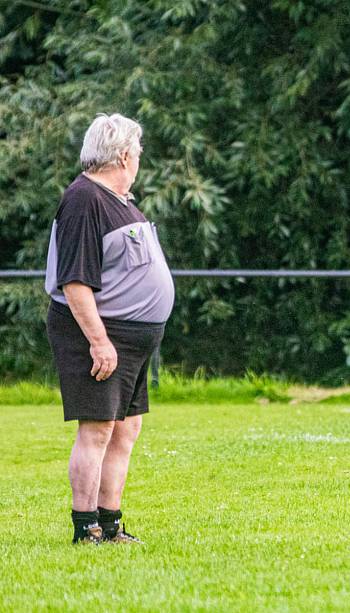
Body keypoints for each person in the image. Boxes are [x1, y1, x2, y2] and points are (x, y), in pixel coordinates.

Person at [45, 113, 174, 544]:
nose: (139, 159)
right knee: (98, 428)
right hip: (104, 336)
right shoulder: (84, 200)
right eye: (137, 152)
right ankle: (87, 528)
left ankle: (111, 521)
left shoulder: (119, 200)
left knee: (125, 428)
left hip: (131, 339)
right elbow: (75, 281)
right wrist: (99, 342)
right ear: (122, 155)